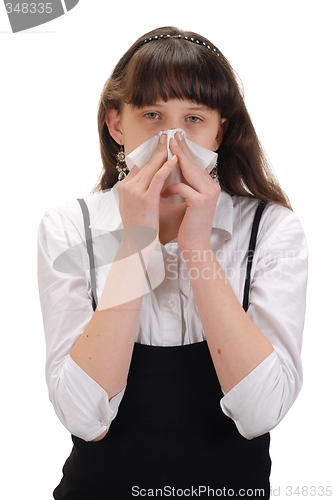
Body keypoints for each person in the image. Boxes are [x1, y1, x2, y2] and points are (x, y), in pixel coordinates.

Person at [38, 26, 308, 499]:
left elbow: (261, 413)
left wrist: (197, 246)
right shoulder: (68, 229)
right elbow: (84, 418)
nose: (171, 139)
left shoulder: (272, 229)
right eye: (151, 114)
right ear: (117, 125)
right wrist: (137, 244)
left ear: (220, 130)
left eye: (194, 119)